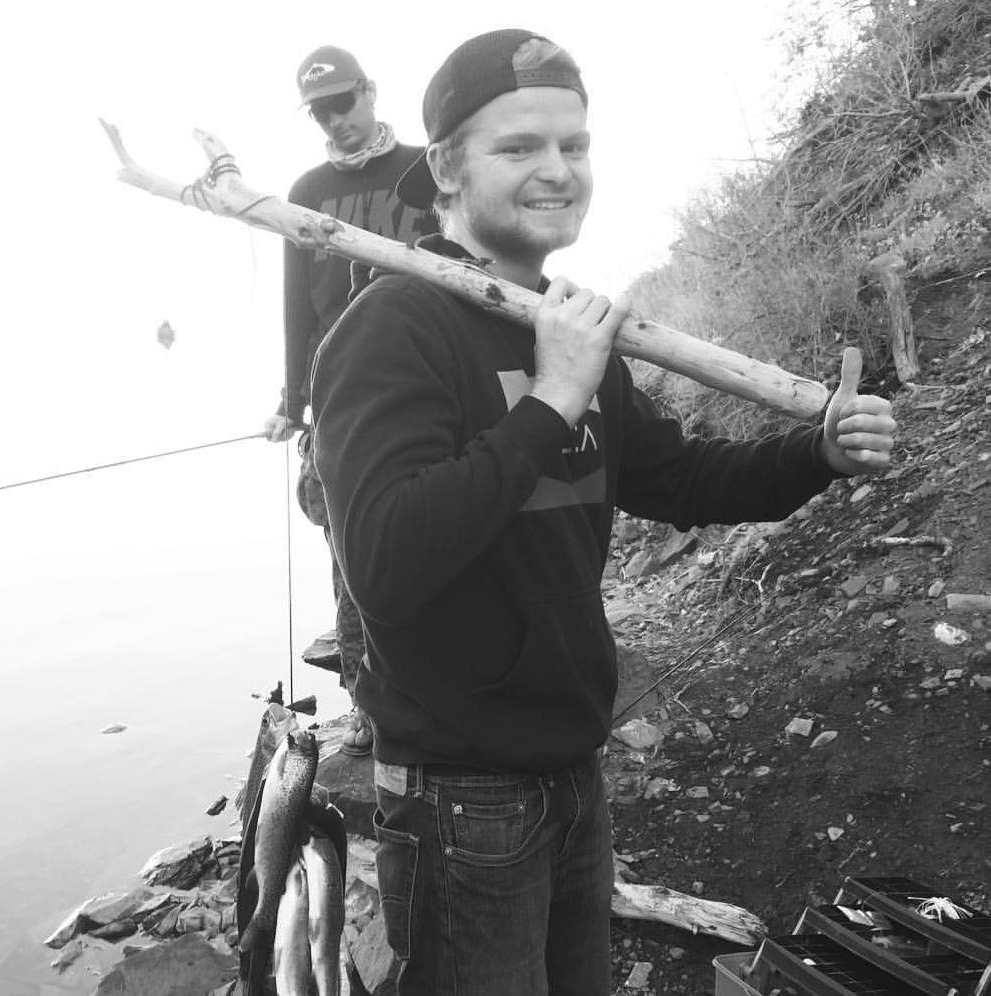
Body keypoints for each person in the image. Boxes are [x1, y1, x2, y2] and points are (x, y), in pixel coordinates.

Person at [309, 29, 898, 995]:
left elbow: (683, 479)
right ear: (446, 171)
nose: (558, 169)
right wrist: (552, 400)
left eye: (573, 145)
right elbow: (384, 559)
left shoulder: (564, 324)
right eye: (519, 147)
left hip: (573, 768)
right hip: (460, 795)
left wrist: (815, 455)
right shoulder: (390, 326)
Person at [264, 45, 438, 755]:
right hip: (341, 402)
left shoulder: (426, 169)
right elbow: (296, 307)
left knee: (438, 535)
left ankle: (445, 685)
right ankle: (371, 703)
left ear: (369, 90)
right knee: (354, 556)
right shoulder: (304, 191)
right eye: (321, 112)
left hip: (429, 382)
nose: (336, 119)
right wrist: (292, 399)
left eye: (344, 102)